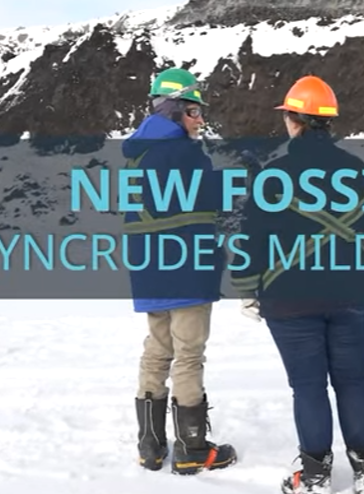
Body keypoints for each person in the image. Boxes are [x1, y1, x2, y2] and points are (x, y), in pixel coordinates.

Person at [231, 75, 364, 494]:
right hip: (353, 289)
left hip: (289, 295)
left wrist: (247, 288)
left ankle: (316, 475)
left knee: (308, 386)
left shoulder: (273, 177)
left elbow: (251, 240)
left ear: (295, 120)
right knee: (354, 380)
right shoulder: (355, 169)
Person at [127, 67, 237, 475]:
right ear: (173, 110)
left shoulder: (136, 155)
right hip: (187, 271)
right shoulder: (185, 154)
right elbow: (209, 201)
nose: (201, 119)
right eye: (193, 111)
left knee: (156, 352)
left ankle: (150, 447)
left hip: (150, 272)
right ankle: (193, 449)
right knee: (189, 355)